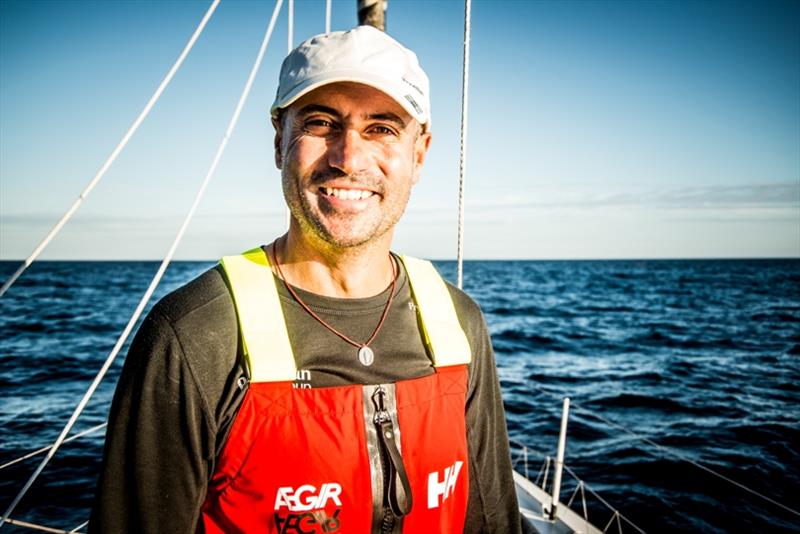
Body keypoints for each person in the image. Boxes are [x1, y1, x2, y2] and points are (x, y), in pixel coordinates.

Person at [90, 25, 525, 533]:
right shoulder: (195, 336)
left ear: (420, 152)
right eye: (321, 124)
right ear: (279, 143)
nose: (349, 158)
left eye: (382, 128)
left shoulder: (458, 322)